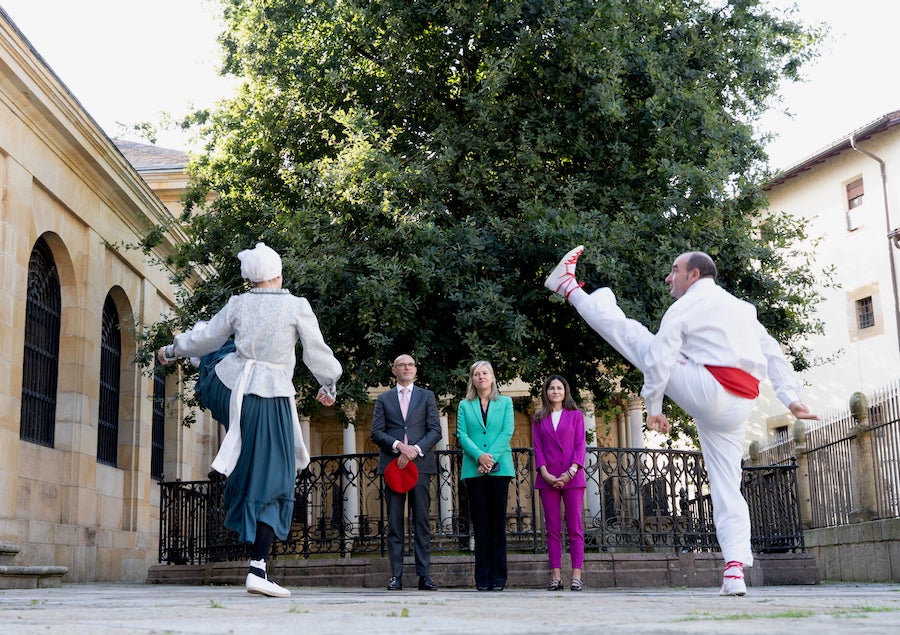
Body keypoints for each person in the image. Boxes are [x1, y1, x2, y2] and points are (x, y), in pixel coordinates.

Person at [544, 246, 819, 596]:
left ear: (694, 275)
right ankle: (734, 569)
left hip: (710, 391)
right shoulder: (743, 309)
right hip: (739, 404)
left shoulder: (686, 306)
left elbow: (660, 356)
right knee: (727, 486)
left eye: (675, 270)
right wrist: (791, 398)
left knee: (638, 339)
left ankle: (569, 287)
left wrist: (654, 406)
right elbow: (773, 352)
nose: (668, 277)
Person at [157, 242, 342, 598]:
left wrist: (172, 349)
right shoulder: (295, 306)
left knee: (220, 352)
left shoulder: (238, 303)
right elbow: (317, 352)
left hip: (235, 390)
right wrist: (329, 383)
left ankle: (258, 566)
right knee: (278, 478)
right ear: (279, 274)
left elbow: (206, 336)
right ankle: (258, 567)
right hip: (269, 398)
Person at [370, 354, 443, 591]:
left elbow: (435, 430)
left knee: (421, 521)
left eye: (410, 365)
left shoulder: (427, 396)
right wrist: (399, 446)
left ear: (415, 369)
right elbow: (376, 432)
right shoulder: (384, 399)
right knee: (394, 523)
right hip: (393, 467)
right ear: (394, 370)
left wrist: (415, 450)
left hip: (419, 466)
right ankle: (396, 576)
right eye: (401, 365)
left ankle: (424, 576)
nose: (406, 368)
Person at [456, 360, 515, 591]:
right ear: (472, 379)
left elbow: (507, 431)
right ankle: (482, 579)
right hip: (474, 469)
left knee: (497, 525)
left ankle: (499, 578)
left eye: (485, 373)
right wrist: (480, 456)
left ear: (492, 377)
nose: (481, 377)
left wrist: (489, 458)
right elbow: (462, 435)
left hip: (500, 469)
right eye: (477, 373)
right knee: (480, 525)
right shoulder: (464, 405)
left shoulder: (506, 402)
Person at [532, 374, 587, 591]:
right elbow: (537, 447)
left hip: (572, 476)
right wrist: (544, 472)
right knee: (552, 529)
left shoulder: (575, 416)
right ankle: (555, 576)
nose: (555, 391)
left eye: (559, 388)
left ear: (565, 392)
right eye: (551, 388)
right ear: (546, 392)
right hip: (548, 478)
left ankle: (576, 575)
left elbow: (580, 444)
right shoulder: (539, 418)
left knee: (575, 527)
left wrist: (572, 470)